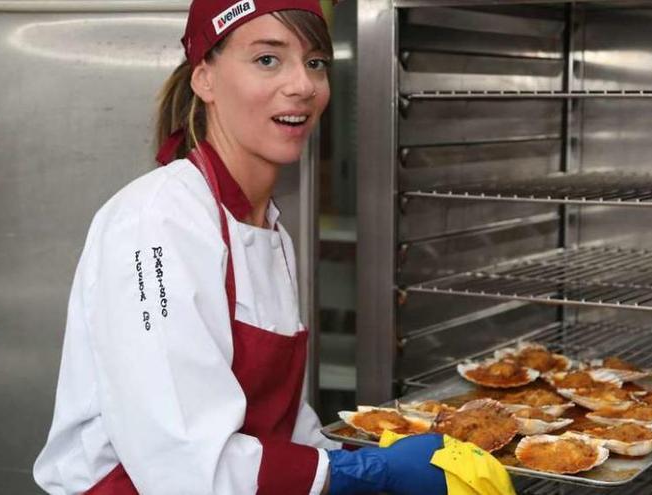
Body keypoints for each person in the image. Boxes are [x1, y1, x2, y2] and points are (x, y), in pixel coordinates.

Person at [33, 1, 449, 494]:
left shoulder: (267, 229)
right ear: (204, 78)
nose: (302, 85)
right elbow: (183, 461)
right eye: (267, 59)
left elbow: (278, 423)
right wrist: (354, 477)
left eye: (315, 61)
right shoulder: (157, 225)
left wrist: (349, 455)